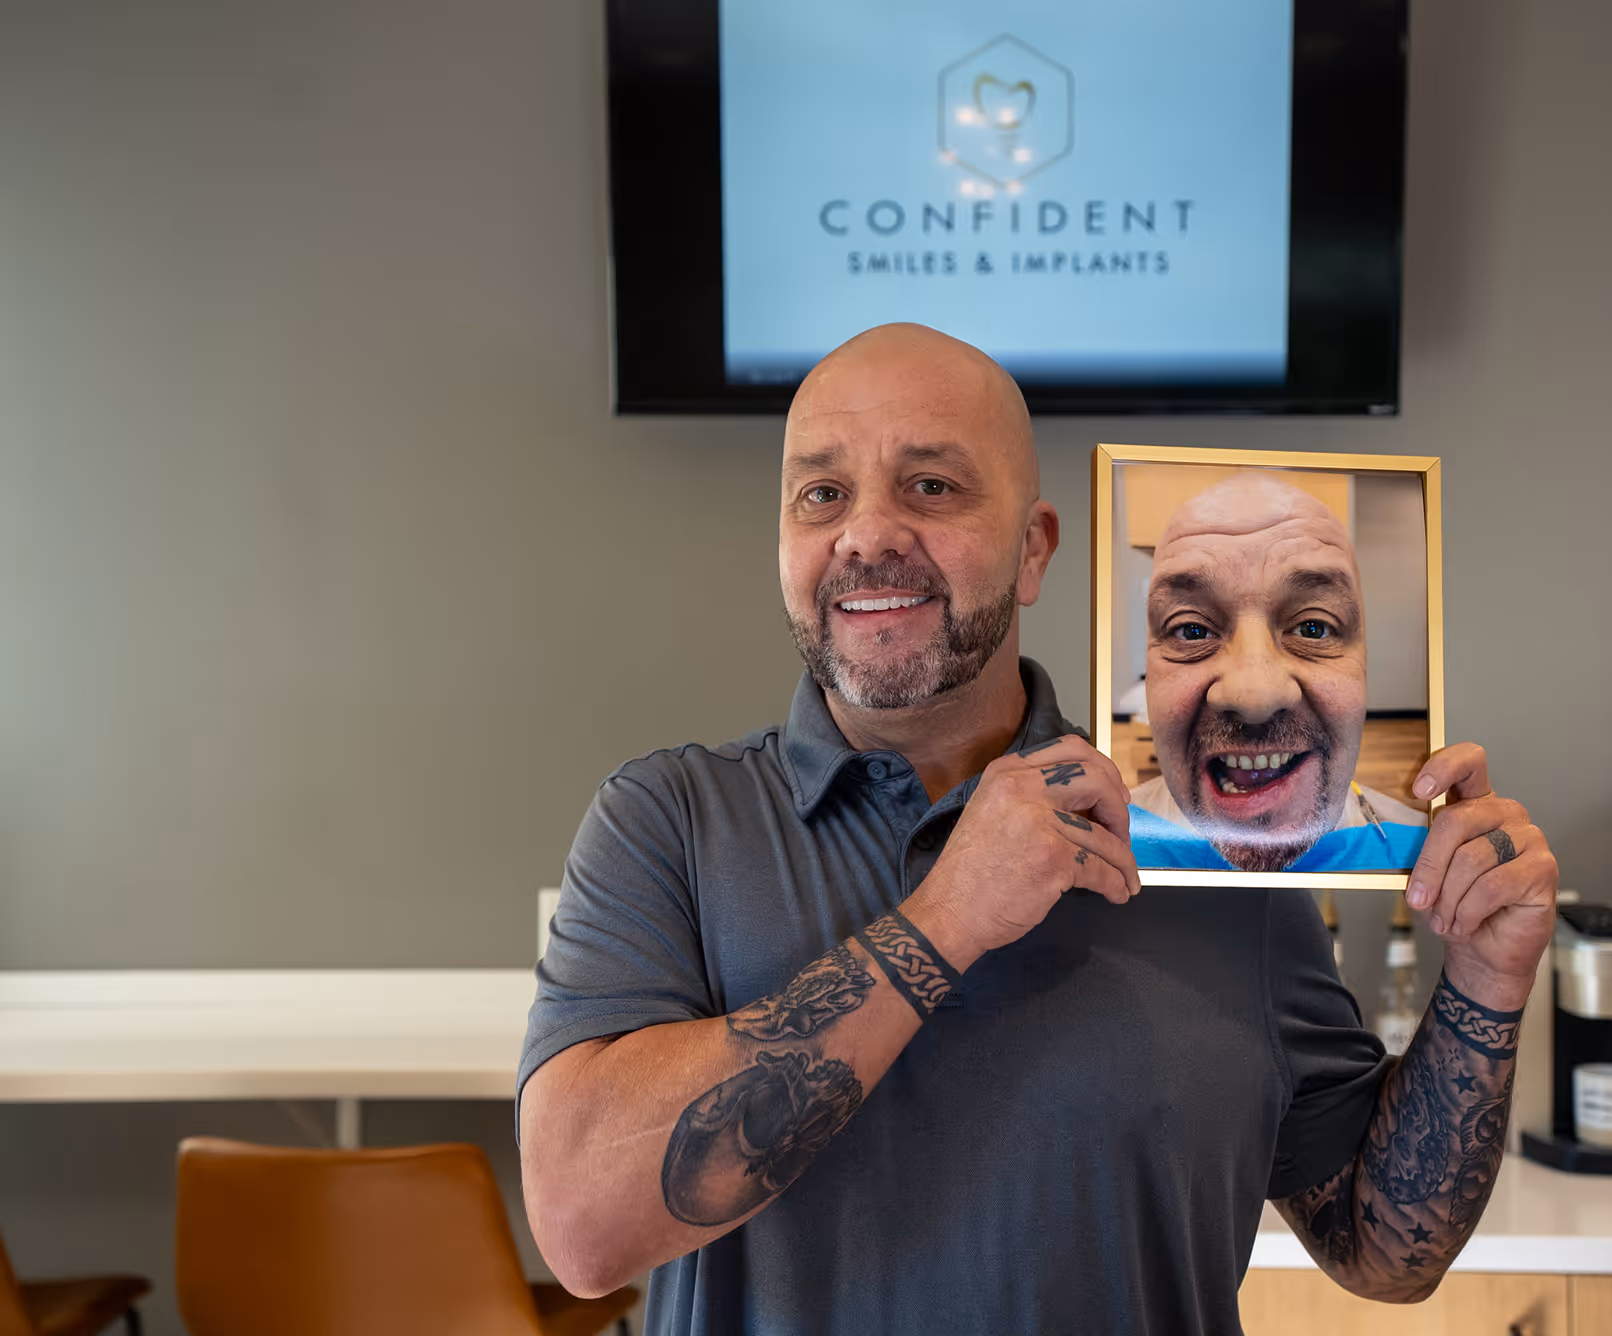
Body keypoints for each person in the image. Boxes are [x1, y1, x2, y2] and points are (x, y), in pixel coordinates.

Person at [517, 323, 1559, 1334]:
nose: (867, 533)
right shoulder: (668, 823)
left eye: (931, 485)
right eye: (821, 493)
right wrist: (941, 924)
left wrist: (1484, 981)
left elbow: (1383, 1252)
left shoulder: (1207, 850)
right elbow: (583, 1229)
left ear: (1032, 549)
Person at [1128, 472, 1428, 873]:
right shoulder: (1094, 861)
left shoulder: (1420, 855)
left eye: (1313, 628)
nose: (1255, 696)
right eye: (1192, 630)